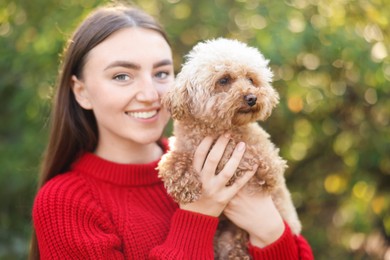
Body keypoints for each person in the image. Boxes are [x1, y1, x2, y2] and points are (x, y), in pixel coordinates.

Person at [30, 3, 314, 259]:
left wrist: (270, 230)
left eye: (161, 73)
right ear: (81, 92)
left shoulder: (220, 165)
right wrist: (199, 212)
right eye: (122, 76)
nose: (150, 93)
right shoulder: (64, 204)